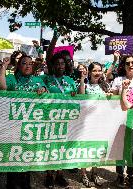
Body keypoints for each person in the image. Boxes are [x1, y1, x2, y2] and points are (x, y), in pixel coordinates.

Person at [0, 54, 47, 189]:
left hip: (31, 128)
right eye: (24, 63)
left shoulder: (38, 80)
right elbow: (1, 87)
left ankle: (26, 184)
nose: (28, 65)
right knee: (13, 157)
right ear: (19, 66)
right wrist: (4, 67)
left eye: (30, 63)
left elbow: (47, 95)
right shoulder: (12, 79)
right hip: (13, 127)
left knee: (27, 158)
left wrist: (44, 90)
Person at [41, 52, 77, 188]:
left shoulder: (70, 80)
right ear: (53, 65)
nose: (60, 66)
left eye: (62, 63)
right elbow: (38, 90)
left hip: (66, 118)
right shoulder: (45, 79)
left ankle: (60, 174)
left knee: (63, 146)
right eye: (57, 63)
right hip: (50, 117)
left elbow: (77, 97)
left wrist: (74, 95)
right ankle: (49, 175)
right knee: (51, 146)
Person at [78, 62, 110, 187]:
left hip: (101, 122)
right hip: (86, 123)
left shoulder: (105, 86)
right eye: (94, 71)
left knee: (98, 148)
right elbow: (80, 97)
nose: (97, 73)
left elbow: (111, 100)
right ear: (90, 72)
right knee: (85, 148)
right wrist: (82, 79)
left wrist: (110, 96)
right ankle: (84, 175)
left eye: (99, 70)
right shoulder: (84, 85)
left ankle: (94, 173)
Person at [111, 54, 133, 188]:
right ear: (124, 65)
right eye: (128, 63)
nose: (130, 65)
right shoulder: (118, 80)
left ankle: (130, 174)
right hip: (120, 117)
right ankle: (119, 175)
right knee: (120, 146)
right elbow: (113, 97)